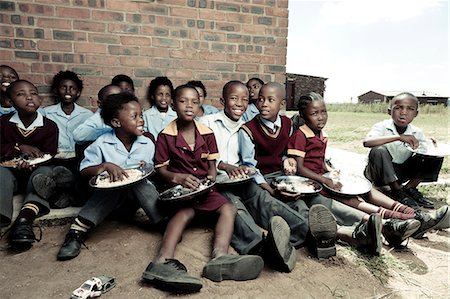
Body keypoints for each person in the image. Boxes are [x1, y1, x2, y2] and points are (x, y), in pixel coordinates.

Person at [142, 84, 263, 293]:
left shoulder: (206, 132)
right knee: (183, 213)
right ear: (173, 104)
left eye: (195, 102)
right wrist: (177, 178)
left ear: (200, 106)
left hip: (203, 188)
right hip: (179, 192)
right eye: (183, 101)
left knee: (228, 208)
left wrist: (211, 177)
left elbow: (212, 163)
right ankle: (161, 261)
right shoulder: (166, 135)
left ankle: (220, 257)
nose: (189, 106)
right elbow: (161, 170)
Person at [288, 92, 448, 244]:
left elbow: (320, 161)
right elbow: (300, 169)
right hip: (311, 183)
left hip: (323, 177)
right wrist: (324, 178)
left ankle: (412, 214)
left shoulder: (322, 134)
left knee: (367, 190)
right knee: (351, 199)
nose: (321, 117)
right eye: (314, 114)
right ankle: (397, 220)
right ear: (303, 116)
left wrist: (330, 171)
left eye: (324, 112)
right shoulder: (300, 136)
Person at [199, 80, 301, 269]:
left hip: (240, 178)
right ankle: (262, 246)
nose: (239, 104)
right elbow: (198, 157)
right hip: (216, 181)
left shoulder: (246, 128)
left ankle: (303, 231)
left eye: (244, 100)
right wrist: (223, 165)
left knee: (262, 198)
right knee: (234, 206)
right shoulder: (206, 123)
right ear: (223, 101)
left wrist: (250, 173)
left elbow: (249, 162)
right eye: (233, 98)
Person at [56, 92, 164, 260]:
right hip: (108, 201)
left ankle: (162, 222)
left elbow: (154, 170)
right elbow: (84, 171)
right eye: (134, 116)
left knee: (139, 183)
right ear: (116, 122)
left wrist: (148, 167)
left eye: (141, 115)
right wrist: (104, 166)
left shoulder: (147, 143)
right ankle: (77, 231)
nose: (141, 120)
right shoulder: (102, 143)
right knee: (114, 184)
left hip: (133, 201)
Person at [0, 80, 58, 249]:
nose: (29, 97)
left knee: (45, 174)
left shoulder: (49, 126)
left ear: (39, 99)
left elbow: (50, 154)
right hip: (10, 177)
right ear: (10, 102)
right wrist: (18, 147)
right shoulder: (3, 123)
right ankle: (2, 218)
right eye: (21, 94)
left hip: (36, 175)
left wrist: (33, 162)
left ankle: (24, 220)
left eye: (33, 93)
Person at [363, 92, 443, 209]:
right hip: (378, 173)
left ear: (416, 114)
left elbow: (424, 152)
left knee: (433, 155)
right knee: (379, 150)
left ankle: (409, 188)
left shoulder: (416, 132)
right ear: (389, 111)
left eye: (410, 109)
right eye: (398, 108)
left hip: (401, 172)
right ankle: (396, 191)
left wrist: (431, 145)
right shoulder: (382, 126)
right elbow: (367, 142)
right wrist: (398, 137)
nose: (404, 112)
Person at [37, 70, 93, 208]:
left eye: (72, 88)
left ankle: (64, 195)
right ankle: (67, 194)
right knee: (52, 174)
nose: (68, 91)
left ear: (78, 93)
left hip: (77, 159)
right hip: (55, 159)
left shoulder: (87, 115)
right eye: (63, 87)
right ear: (56, 91)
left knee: (81, 178)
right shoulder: (46, 113)